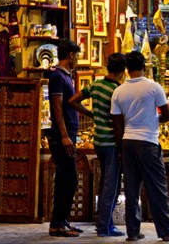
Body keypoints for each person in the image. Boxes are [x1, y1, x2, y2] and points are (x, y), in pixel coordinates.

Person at [111, 51, 169, 242]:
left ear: (126, 69)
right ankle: (166, 231)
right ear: (144, 66)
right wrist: (152, 119)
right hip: (148, 142)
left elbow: (117, 125)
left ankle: (133, 232)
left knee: (131, 190)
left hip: (127, 142)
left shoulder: (119, 91)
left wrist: (120, 149)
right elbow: (167, 115)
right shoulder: (153, 87)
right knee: (157, 188)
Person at [68, 53, 127, 237]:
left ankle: (104, 221)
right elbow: (119, 122)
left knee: (105, 182)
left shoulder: (96, 84)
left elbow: (72, 101)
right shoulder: (118, 90)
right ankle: (104, 226)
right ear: (122, 71)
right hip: (111, 142)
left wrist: (91, 114)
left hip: (99, 141)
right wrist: (120, 147)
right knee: (112, 185)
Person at [45, 39, 88, 237]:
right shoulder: (57, 77)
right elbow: (56, 107)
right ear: (70, 55)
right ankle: (57, 224)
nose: (78, 59)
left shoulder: (65, 76)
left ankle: (61, 221)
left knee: (65, 178)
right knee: (69, 178)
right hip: (61, 135)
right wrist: (63, 136)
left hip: (68, 134)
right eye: (77, 55)